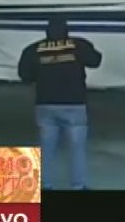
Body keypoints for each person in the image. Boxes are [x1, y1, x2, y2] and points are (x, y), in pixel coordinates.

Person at [18, 17, 102, 190]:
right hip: (74, 104)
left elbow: (25, 75)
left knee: (47, 148)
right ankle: (78, 185)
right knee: (77, 148)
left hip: (45, 104)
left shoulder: (34, 49)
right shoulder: (78, 45)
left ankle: (45, 184)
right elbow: (96, 61)